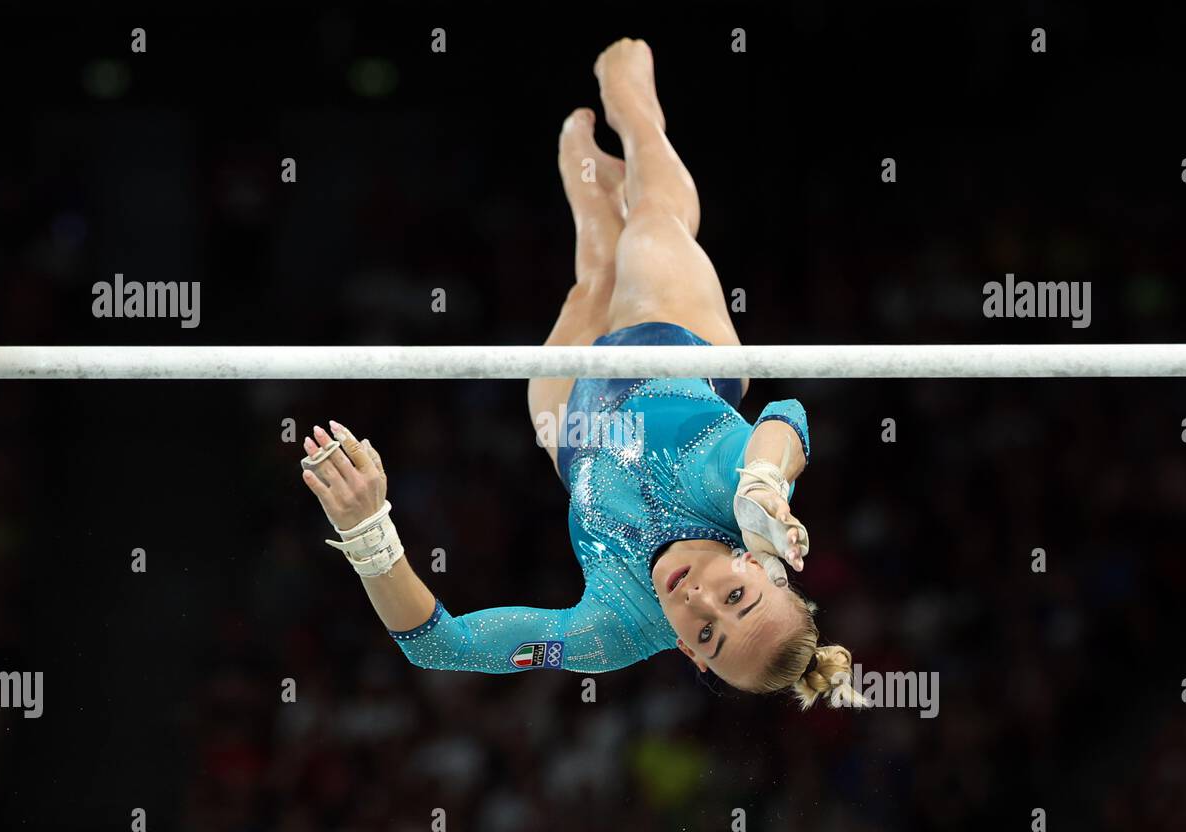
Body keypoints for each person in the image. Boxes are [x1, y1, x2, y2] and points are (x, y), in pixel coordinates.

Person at [299, 39, 863, 709]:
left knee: (592, 281)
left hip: (574, 423)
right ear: (758, 564)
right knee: (654, 228)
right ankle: (634, 109)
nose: (700, 598)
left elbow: (440, 645)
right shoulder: (736, 504)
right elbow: (786, 418)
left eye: (707, 634)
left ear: (688, 654)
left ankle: (599, 195)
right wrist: (765, 481)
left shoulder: (614, 631)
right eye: (736, 595)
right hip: (675, 342)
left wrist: (369, 530)